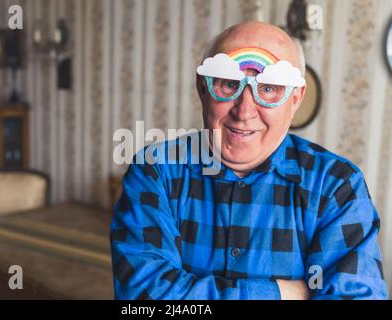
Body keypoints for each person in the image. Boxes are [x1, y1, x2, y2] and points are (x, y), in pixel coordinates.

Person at [110, 22, 388, 300]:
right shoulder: (156, 170)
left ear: (295, 99)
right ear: (203, 89)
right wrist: (282, 293)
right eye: (229, 84)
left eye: (268, 89)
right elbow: (144, 298)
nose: (244, 111)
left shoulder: (337, 186)